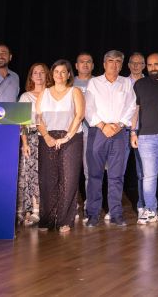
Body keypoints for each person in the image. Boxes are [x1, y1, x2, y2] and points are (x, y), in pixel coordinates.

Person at [84, 50, 137, 227]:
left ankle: (116, 214)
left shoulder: (126, 83)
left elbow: (131, 106)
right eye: (110, 61)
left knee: (116, 176)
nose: (114, 64)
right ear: (104, 64)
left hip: (119, 132)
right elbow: (88, 108)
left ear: (121, 65)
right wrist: (102, 126)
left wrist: (120, 125)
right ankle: (93, 214)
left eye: (117, 61)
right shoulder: (94, 82)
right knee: (95, 175)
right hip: (98, 132)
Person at [35, 59, 85, 233]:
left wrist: (67, 137)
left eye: (63, 72)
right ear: (52, 74)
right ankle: (47, 220)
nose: (60, 75)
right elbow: (38, 118)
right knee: (47, 179)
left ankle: (65, 220)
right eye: (56, 72)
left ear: (69, 74)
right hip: (47, 138)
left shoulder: (75, 91)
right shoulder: (44, 93)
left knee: (68, 179)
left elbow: (79, 116)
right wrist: (46, 136)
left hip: (71, 137)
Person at [132, 53, 158, 224]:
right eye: (149, 65)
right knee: (149, 176)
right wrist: (133, 132)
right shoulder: (140, 84)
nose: (153, 68)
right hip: (146, 137)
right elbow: (135, 110)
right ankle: (151, 210)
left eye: (156, 64)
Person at [17, 63, 49, 226]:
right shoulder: (26, 96)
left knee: (46, 174)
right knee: (30, 174)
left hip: (49, 138)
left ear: (47, 75)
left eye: (42, 72)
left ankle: (43, 210)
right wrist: (24, 143)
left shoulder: (52, 95)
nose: (39, 75)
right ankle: (30, 209)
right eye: (35, 72)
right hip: (31, 138)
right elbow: (22, 122)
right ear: (31, 76)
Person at [74, 52, 94, 220]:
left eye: (88, 62)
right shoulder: (69, 82)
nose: (85, 64)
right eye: (82, 62)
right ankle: (71, 206)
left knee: (89, 172)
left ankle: (90, 206)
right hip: (71, 133)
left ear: (93, 65)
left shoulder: (98, 82)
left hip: (91, 133)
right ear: (76, 65)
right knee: (71, 172)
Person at [126, 52, 147, 218]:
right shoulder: (122, 83)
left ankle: (142, 205)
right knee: (115, 172)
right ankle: (112, 207)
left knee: (142, 172)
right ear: (128, 65)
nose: (136, 65)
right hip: (121, 130)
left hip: (142, 131)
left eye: (139, 63)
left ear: (144, 66)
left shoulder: (150, 83)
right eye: (133, 62)